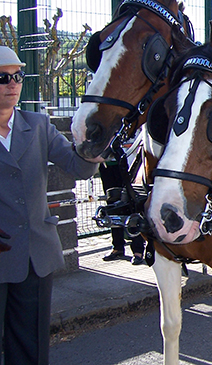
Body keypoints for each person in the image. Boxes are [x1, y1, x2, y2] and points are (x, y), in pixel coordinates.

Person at [0, 46, 97, 364]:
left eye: (17, 76)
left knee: (31, 345)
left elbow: (78, 166)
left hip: (35, 255)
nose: (12, 84)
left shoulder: (38, 125)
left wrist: (92, 144)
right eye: (3, 77)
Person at [99, 161, 146, 265]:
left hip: (128, 163)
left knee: (132, 205)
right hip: (107, 164)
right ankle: (117, 246)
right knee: (113, 204)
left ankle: (138, 250)